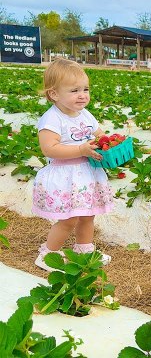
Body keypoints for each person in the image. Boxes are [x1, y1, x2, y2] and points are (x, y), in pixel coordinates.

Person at [32, 58, 114, 272]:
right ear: (54, 94)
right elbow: (49, 149)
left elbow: (99, 135)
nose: (82, 95)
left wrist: (110, 143)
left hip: (86, 174)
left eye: (85, 89)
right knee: (68, 219)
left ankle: (84, 251)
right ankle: (48, 255)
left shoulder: (85, 114)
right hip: (65, 176)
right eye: (74, 90)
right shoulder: (52, 119)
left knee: (88, 214)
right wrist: (80, 149)